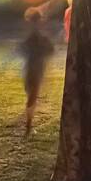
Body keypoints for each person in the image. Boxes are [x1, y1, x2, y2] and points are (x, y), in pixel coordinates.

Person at [19, 8, 54, 137]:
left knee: (30, 93)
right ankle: (28, 124)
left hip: (29, 67)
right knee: (32, 96)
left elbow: (22, 49)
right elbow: (50, 50)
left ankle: (29, 121)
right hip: (37, 68)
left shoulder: (29, 33)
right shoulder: (40, 35)